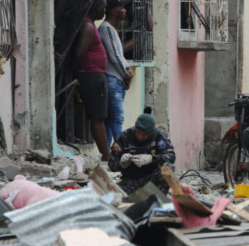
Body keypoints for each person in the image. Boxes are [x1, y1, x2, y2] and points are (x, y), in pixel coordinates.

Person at [72, 0, 110, 161]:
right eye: (104, 7)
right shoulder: (87, 26)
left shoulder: (91, 25)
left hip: (94, 74)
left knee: (98, 115)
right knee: (97, 116)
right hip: (92, 75)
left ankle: (105, 153)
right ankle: (107, 155)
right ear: (96, 7)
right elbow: (79, 53)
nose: (105, 11)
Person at [108, 114, 176, 195]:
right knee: (113, 194)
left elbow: (171, 156)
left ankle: (158, 198)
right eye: (138, 132)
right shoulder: (124, 137)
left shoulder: (158, 136)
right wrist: (121, 163)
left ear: (151, 133)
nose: (140, 137)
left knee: (168, 168)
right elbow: (111, 164)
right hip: (131, 180)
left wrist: (151, 158)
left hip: (152, 178)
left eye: (144, 134)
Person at [99, 0, 134, 149]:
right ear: (113, 11)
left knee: (111, 118)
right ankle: (122, 150)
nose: (125, 10)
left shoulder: (111, 29)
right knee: (117, 117)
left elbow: (119, 55)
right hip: (113, 78)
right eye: (122, 7)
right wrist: (125, 73)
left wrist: (127, 70)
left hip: (116, 79)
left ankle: (108, 151)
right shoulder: (106, 28)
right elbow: (114, 56)